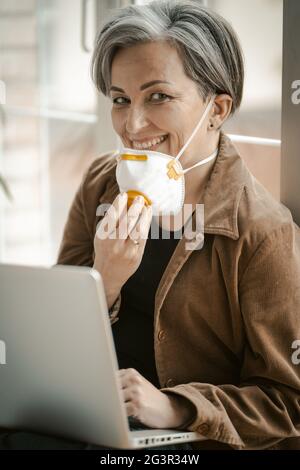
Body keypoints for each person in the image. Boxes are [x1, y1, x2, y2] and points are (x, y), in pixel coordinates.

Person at [1, 0, 300, 451]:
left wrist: (176, 407)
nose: (132, 124)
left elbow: (288, 403)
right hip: (86, 421)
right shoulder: (101, 183)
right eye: (121, 99)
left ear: (216, 109)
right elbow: (52, 339)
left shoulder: (263, 232)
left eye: (158, 96)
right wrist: (104, 281)